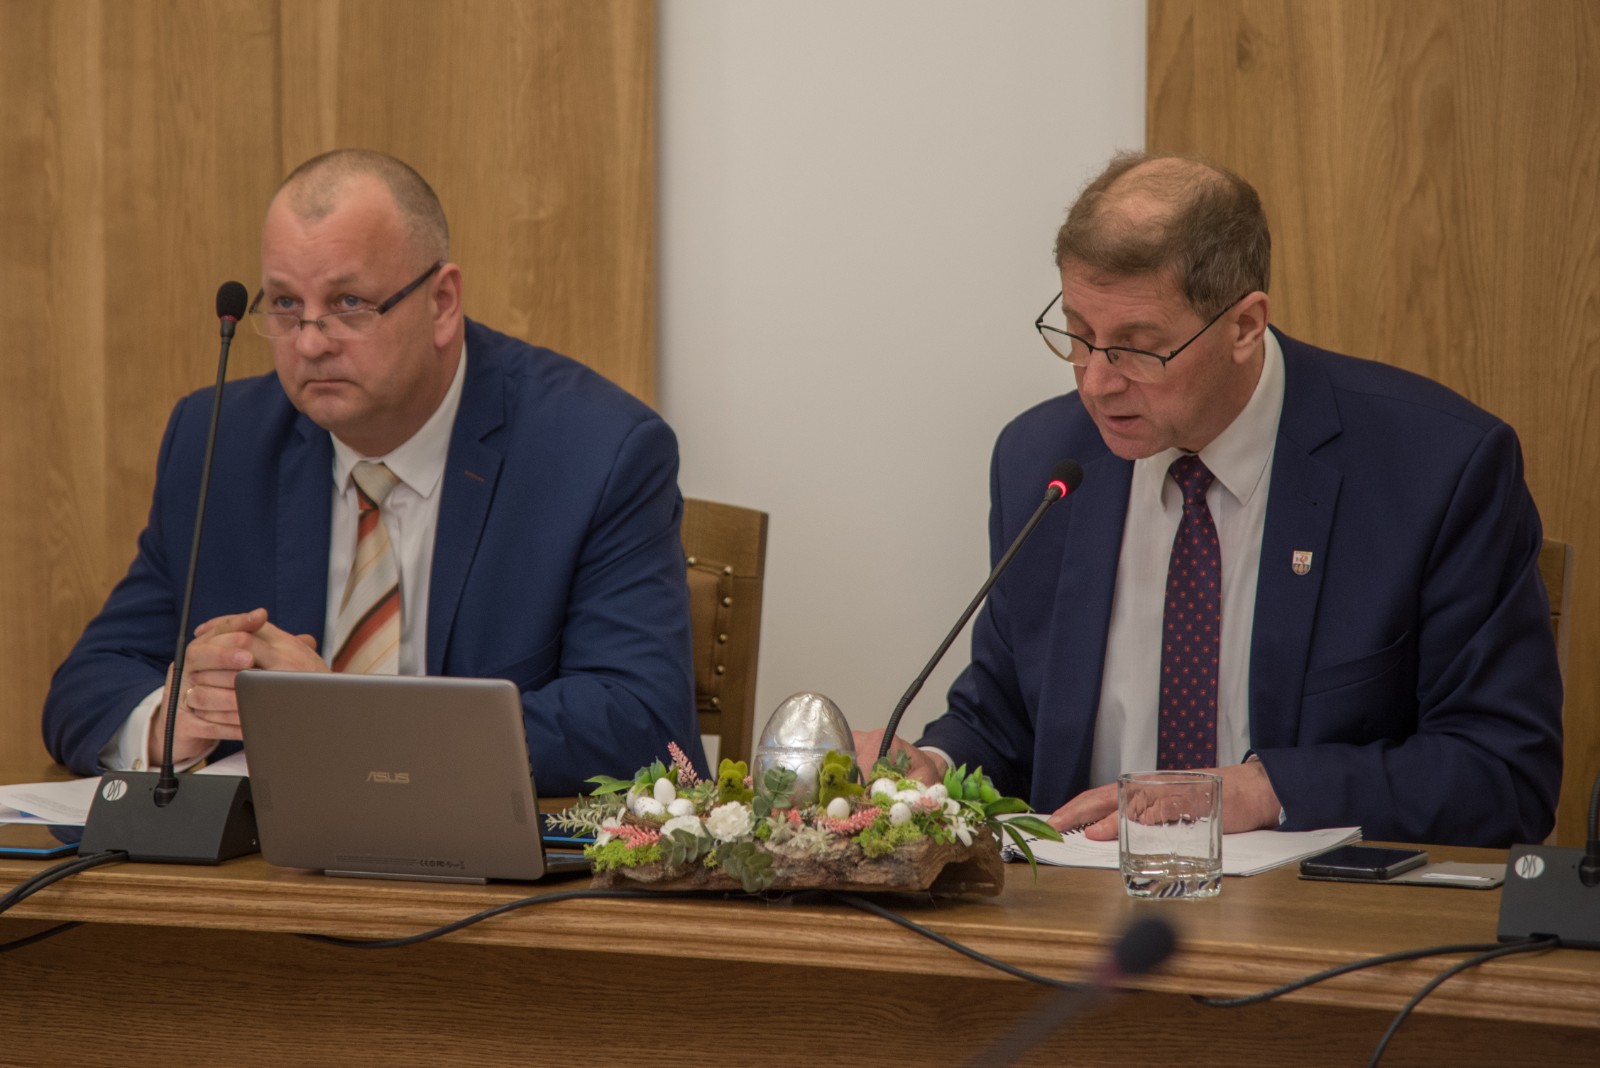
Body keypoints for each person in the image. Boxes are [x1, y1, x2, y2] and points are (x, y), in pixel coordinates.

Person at [859, 152, 1561, 847]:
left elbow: (1503, 774)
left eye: (1138, 346)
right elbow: (1004, 719)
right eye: (1078, 334)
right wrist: (935, 765)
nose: (1096, 383)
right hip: (1082, 900)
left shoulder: (1435, 470)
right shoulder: (1041, 463)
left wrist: (1261, 791)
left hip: (1315, 908)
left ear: (1245, 326)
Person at [43, 149, 703, 794]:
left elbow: (644, 722)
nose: (310, 342)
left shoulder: (595, 452)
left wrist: (349, 721)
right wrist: (178, 717)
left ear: (442, 302)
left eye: (349, 301)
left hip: (488, 855)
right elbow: (88, 683)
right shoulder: (219, 441)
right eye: (284, 304)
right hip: (270, 857)